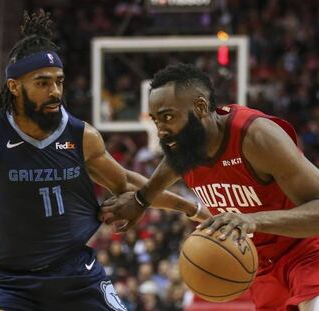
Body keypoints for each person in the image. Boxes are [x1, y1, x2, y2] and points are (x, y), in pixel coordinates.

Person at [0, 11, 210, 311]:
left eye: (59, 82)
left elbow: (127, 182)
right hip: (13, 283)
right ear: (14, 86)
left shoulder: (81, 136)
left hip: (77, 276)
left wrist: (190, 207)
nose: (54, 92)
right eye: (42, 83)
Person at [101, 63, 319, 311]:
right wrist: (142, 199)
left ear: (201, 107)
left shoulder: (256, 138)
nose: (160, 130)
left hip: (307, 249)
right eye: (155, 120)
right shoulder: (185, 148)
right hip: (261, 264)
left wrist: (254, 220)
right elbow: (169, 166)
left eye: (167, 117)